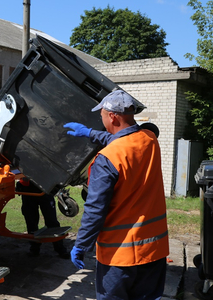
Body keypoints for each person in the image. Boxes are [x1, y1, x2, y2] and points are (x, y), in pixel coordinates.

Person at [64, 90, 169, 300]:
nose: (101, 119)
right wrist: (89, 133)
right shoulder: (149, 139)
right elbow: (123, 137)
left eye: (101, 115)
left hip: (119, 256)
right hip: (154, 250)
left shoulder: (107, 158)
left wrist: (81, 245)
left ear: (112, 116)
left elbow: (95, 210)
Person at [16, 177, 70, 259]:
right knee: (31, 221)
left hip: (44, 187)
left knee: (51, 221)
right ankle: (34, 249)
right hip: (27, 189)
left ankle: (60, 248)